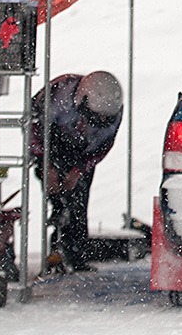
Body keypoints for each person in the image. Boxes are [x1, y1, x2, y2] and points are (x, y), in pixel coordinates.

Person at [30, 71, 123, 273]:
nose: (96, 121)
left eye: (103, 119)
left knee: (79, 201)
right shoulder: (57, 96)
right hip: (50, 141)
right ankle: (57, 246)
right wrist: (47, 165)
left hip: (82, 151)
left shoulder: (113, 113)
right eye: (93, 116)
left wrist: (79, 170)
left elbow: (103, 147)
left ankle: (76, 254)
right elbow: (34, 129)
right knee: (56, 196)